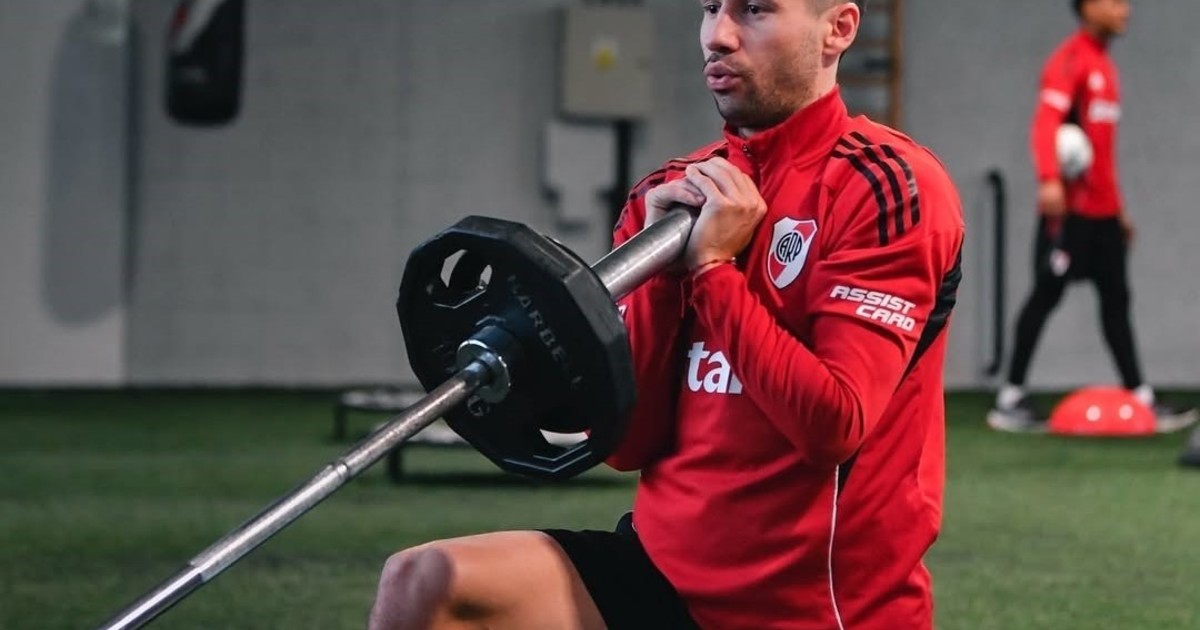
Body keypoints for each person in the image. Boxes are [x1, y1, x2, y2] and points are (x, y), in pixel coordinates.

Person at [368, 1, 964, 628]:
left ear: (837, 29)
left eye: (754, 10)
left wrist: (713, 272)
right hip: (662, 578)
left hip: (809, 611)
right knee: (421, 581)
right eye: (710, 8)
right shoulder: (669, 194)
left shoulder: (886, 186)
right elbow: (629, 445)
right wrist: (663, 280)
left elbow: (831, 426)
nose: (719, 36)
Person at [987, 0, 1197, 433]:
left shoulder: (1105, 66)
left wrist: (1119, 211)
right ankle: (1009, 398)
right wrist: (1049, 179)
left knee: (1117, 301)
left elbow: (1101, 155)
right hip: (1070, 215)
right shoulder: (1071, 59)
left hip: (1104, 216)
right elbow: (1046, 123)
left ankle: (1140, 396)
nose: (1126, 9)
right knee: (1045, 295)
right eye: (1114, 1)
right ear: (1087, 7)